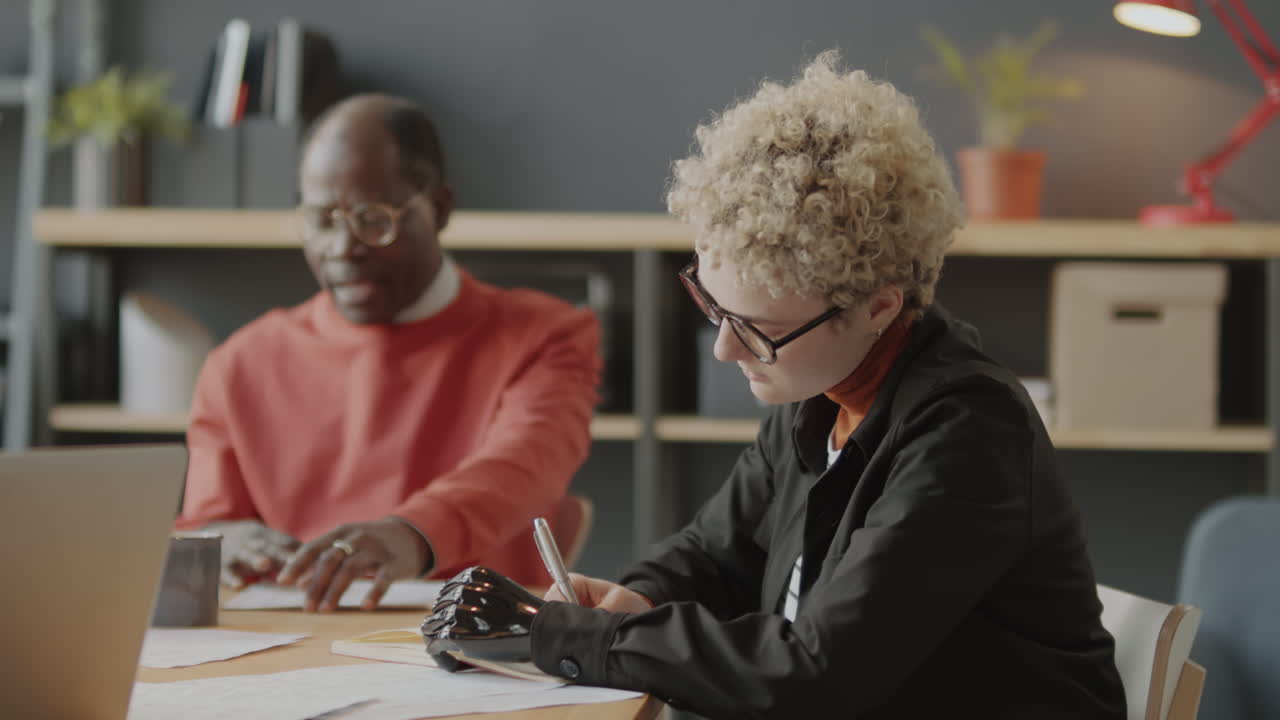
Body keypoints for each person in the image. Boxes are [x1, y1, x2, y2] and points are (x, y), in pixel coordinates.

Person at [423, 54, 1126, 718]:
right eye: (713, 308)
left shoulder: (969, 434)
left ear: (879, 306)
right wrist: (638, 598)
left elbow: (816, 671)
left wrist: (568, 638)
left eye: (756, 327)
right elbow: (716, 553)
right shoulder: (821, 395)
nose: (727, 348)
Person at [176, 94, 602, 612]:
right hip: (294, 642)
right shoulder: (240, 363)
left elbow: (523, 467)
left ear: (439, 208)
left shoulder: (546, 335)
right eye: (321, 220)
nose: (343, 247)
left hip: (476, 642)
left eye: (372, 218)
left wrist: (410, 536)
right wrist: (224, 542)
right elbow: (205, 524)